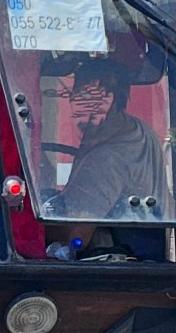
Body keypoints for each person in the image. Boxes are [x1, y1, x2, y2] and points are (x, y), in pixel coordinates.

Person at [58, 59, 166, 220]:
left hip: (108, 244)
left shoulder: (102, 162)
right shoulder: (142, 131)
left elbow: (77, 235)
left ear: (111, 102)